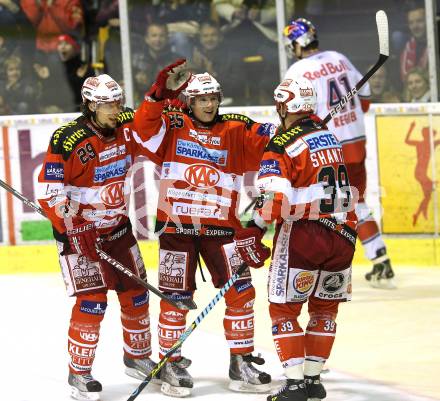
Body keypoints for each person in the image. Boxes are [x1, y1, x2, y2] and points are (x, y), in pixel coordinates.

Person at [36, 62, 191, 400]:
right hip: (80, 235)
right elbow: (49, 191)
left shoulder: (124, 126)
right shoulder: (67, 138)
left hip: (118, 229)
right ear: (91, 104)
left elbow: (147, 126)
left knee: (136, 295)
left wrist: (160, 97)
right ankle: (80, 372)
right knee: (92, 302)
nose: (115, 110)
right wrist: (71, 223)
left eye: (118, 103)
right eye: (108, 104)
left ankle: (136, 356)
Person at [135, 69, 275, 397]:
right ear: (189, 101)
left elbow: (272, 140)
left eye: (213, 98)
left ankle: (240, 362)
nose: (209, 104)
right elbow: (143, 126)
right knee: (175, 299)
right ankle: (170, 362)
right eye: (202, 99)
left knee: (241, 292)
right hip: (176, 228)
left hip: (222, 228)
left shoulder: (236, 127)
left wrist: (297, 131)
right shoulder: (173, 123)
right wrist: (157, 95)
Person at [235, 77, 357, 401]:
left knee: (284, 310)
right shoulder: (329, 136)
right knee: (324, 309)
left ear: (281, 107)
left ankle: (293, 386)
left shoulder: (280, 145)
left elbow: (274, 202)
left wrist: (252, 229)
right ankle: (313, 381)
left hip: (305, 234)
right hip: (344, 233)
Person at [283, 17, 395, 289]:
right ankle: (378, 255)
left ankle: (323, 268)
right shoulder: (339, 58)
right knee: (355, 202)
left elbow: (289, 114)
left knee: (322, 207)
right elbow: (365, 102)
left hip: (327, 150)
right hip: (355, 144)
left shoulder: (297, 71)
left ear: (297, 44)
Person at [56, 34, 95, 111]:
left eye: (66, 44)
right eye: (60, 44)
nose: (62, 47)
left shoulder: (83, 66)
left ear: (75, 47)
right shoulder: (55, 66)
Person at [400, 2, 428, 85]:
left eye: (419, 21)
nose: (415, 26)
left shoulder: (435, 44)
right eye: (411, 23)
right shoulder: (406, 47)